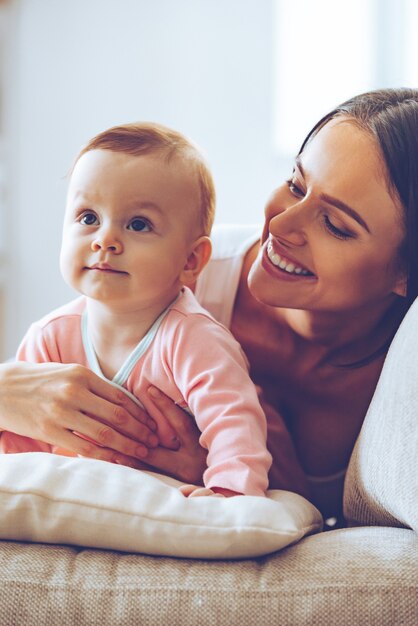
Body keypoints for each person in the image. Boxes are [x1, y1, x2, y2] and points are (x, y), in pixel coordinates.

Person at [0, 88, 416, 522]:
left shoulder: (404, 378)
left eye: (335, 224)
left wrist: (220, 479)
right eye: (295, 185)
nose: (279, 223)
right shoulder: (159, 282)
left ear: (405, 272)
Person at [0, 122, 272, 498]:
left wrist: (229, 493)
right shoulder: (49, 338)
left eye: (138, 224)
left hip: (157, 503)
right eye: (88, 217)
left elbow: (235, 424)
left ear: (191, 260)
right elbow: (21, 437)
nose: (105, 240)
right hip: (77, 503)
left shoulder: (195, 341)